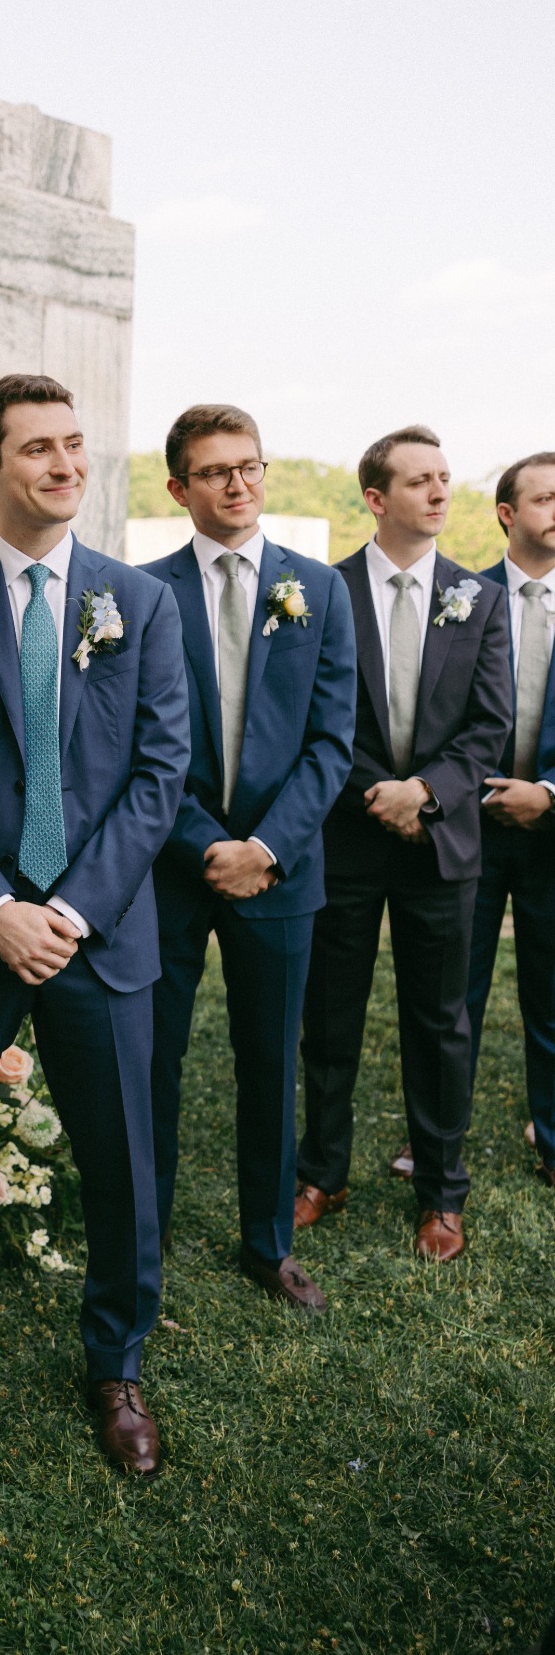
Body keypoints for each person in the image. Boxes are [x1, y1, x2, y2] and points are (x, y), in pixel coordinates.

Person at [0, 373, 190, 1474]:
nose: (63, 466)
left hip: (100, 937)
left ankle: (118, 1362)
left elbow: (159, 774)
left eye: (74, 446)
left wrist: (69, 910)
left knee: (123, 1160)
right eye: (36, 450)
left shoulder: (139, 605)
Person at [141, 405, 356, 1311]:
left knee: (270, 1059)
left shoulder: (318, 589)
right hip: (169, 870)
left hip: (281, 867)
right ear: (179, 487)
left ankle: (268, 1244)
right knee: (152, 1057)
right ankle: (138, 1231)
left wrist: (264, 847)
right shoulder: (138, 592)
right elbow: (131, 744)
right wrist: (205, 845)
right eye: (216, 470)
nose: (238, 483)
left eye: (250, 467)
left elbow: (331, 742)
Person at [295, 426, 512, 1260]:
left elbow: (489, 726)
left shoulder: (478, 598)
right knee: (330, 1016)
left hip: (441, 845)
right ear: (376, 499)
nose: (439, 492)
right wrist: (371, 791)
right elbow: (311, 716)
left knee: (441, 1021)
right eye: (420, 480)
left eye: (446, 479)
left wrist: (424, 792)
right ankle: (323, 1171)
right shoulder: (322, 590)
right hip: (345, 839)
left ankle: (442, 1193)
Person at [465, 454, 555, 1184]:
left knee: (551, 1000)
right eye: (547, 497)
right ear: (507, 512)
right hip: (470, 831)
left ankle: (553, 1140)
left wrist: (549, 793)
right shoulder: (463, 597)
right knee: (451, 998)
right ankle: (439, 1144)